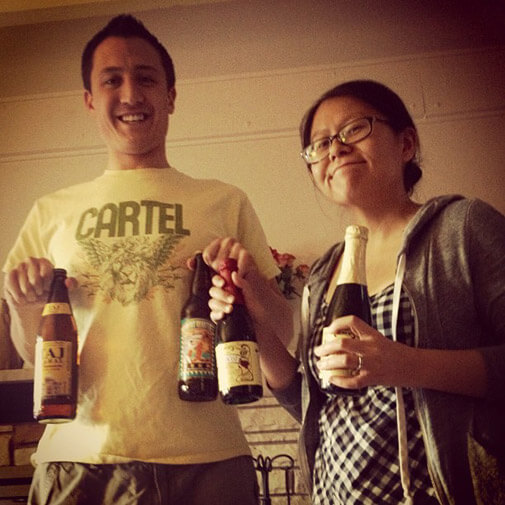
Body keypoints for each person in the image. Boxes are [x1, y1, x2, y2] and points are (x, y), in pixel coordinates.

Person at [2, 14, 282, 505]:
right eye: (112, 80)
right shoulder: (50, 211)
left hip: (209, 459)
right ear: (90, 100)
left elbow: (279, 330)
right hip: (78, 460)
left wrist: (251, 283)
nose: (130, 94)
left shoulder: (224, 201)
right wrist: (26, 306)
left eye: (146, 78)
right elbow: (34, 355)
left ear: (171, 95)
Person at [204, 80, 505, 505]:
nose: (336, 148)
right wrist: (256, 324)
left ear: (406, 143)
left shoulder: (462, 229)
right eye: (320, 143)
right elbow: (310, 405)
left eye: (354, 129)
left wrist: (406, 365)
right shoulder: (326, 272)